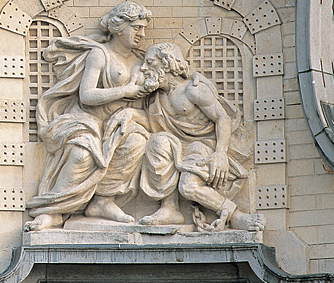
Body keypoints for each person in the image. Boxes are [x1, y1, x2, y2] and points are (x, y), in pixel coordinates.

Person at [25, 1, 153, 231]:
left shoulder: (139, 61)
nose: (141, 35)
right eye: (136, 28)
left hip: (118, 122)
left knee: (137, 141)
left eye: (143, 29)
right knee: (83, 153)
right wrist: (126, 91)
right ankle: (54, 210)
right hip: (86, 120)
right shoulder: (100, 54)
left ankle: (103, 201)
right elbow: (86, 95)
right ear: (118, 27)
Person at [112, 42, 264, 232]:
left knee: (188, 187)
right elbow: (154, 124)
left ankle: (235, 215)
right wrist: (131, 114)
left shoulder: (192, 90)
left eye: (150, 63)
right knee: (158, 141)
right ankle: (170, 209)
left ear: (166, 63)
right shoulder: (156, 96)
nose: (144, 68)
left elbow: (222, 118)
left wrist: (220, 153)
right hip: (177, 145)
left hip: (202, 144)